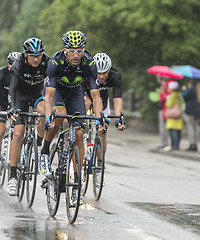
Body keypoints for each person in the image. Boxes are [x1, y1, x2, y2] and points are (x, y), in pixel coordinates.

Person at [41, 30, 105, 205]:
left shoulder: (89, 63)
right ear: (64, 50)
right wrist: (48, 118)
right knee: (59, 115)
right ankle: (45, 151)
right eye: (72, 51)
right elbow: (48, 97)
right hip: (57, 93)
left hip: (75, 93)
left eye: (79, 50)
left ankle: (76, 186)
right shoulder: (55, 62)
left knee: (78, 134)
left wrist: (100, 119)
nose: (76, 55)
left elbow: (96, 96)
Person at [7, 38, 49, 196]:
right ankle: (12, 177)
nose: (36, 59)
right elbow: (11, 88)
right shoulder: (18, 63)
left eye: (39, 55)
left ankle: (38, 142)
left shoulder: (47, 62)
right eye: (32, 56)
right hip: (21, 97)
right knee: (18, 134)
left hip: (37, 95)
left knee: (45, 112)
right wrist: (11, 108)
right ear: (25, 54)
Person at [83, 53, 125, 155]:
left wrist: (118, 120)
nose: (101, 76)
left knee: (103, 131)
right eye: (98, 73)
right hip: (87, 99)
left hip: (103, 102)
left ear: (109, 70)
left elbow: (117, 100)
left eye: (104, 73)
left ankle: (100, 162)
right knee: (85, 103)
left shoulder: (115, 76)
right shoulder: (86, 74)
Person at [0, 52, 20, 181]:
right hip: (2, 106)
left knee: (18, 135)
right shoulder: (1, 73)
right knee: (0, 131)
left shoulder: (23, 74)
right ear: (8, 65)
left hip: (16, 106)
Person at [182, 79, 200, 151]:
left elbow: (184, 96)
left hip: (190, 110)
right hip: (198, 111)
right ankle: (195, 144)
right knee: (195, 128)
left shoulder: (190, 89)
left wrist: (184, 90)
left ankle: (192, 144)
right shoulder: (199, 90)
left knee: (191, 127)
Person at [165, 81, 183, 151]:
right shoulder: (179, 94)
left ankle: (174, 146)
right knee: (178, 132)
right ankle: (177, 146)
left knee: (173, 132)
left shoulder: (172, 95)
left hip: (173, 116)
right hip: (178, 115)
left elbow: (169, 104)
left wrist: (167, 99)